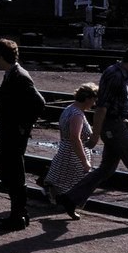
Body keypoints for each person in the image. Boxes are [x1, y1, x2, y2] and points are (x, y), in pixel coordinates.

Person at [58, 46, 128, 230]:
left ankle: (71, 198)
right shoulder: (115, 76)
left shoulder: (121, 74)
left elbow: (114, 101)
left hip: (117, 124)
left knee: (107, 169)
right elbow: (101, 108)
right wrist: (96, 135)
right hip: (116, 127)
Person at [0, 38, 45, 231]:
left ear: (0, 56)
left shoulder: (18, 76)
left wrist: (24, 126)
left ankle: (18, 216)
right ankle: (20, 214)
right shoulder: (13, 73)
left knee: (13, 174)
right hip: (9, 133)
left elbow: (39, 102)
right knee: (8, 173)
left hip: (13, 134)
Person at [42, 83, 98, 214]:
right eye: (94, 100)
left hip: (66, 151)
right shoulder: (77, 115)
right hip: (74, 156)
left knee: (62, 182)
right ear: (87, 98)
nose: (94, 104)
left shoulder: (69, 109)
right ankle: (69, 207)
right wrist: (84, 161)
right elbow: (75, 138)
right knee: (79, 185)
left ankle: (58, 200)